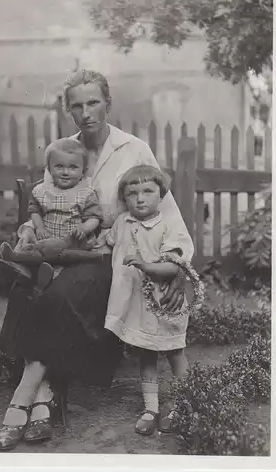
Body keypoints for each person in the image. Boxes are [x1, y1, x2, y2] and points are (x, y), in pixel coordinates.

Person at [0, 69, 194, 451]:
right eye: (77, 106)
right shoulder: (64, 149)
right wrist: (34, 231)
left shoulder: (133, 149)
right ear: (67, 110)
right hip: (61, 249)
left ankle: (26, 396)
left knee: (59, 295)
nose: (86, 113)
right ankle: (44, 396)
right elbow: (48, 198)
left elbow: (165, 212)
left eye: (93, 103)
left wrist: (179, 267)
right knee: (25, 290)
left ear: (108, 104)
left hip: (109, 256)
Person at [105, 164, 190, 435]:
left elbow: (172, 267)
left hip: (165, 302)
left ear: (161, 195)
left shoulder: (168, 225)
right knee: (145, 351)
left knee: (175, 351)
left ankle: (181, 404)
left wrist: (145, 265)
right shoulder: (123, 223)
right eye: (132, 193)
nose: (140, 198)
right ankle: (151, 407)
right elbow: (105, 243)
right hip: (137, 305)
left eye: (147, 191)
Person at [0, 137, 103, 291]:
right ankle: (17, 264)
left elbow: (94, 217)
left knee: (62, 263)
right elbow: (35, 211)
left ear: (83, 170)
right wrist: (39, 228)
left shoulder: (86, 193)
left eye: (73, 167)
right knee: (29, 240)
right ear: (49, 169)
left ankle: (46, 278)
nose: (65, 172)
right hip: (46, 237)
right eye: (59, 166)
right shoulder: (42, 191)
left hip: (70, 242)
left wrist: (84, 228)